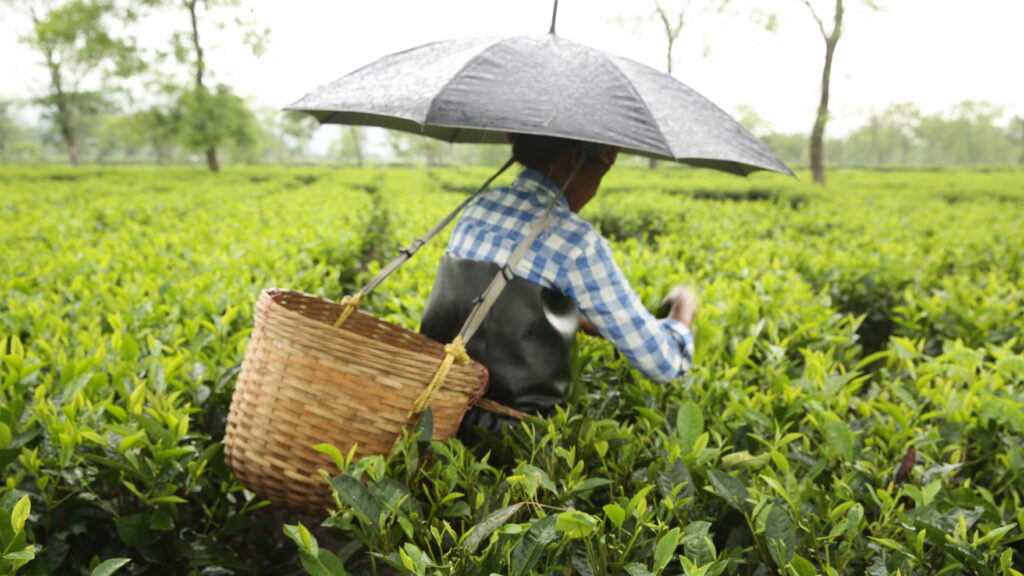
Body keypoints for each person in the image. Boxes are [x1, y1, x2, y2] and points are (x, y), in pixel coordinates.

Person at [420, 134, 698, 446]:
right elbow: (662, 363)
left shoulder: (476, 208)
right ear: (572, 162)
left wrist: (578, 318)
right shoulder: (573, 239)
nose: (594, 191)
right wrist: (681, 311)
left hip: (431, 418)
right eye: (599, 175)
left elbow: (492, 306)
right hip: (514, 444)